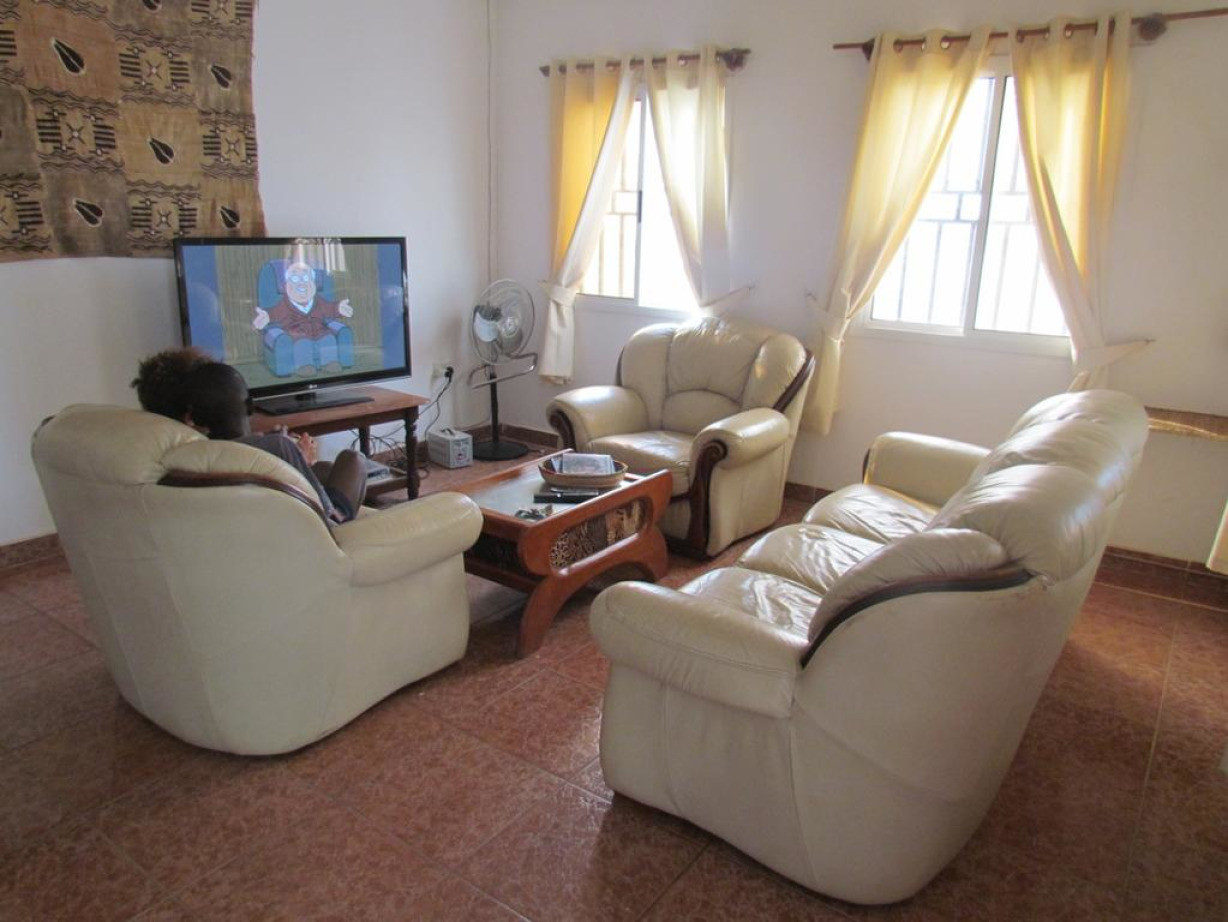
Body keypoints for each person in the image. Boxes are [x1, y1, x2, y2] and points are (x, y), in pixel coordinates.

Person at [131, 348, 367, 523]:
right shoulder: (273, 449)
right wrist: (292, 459)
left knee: (324, 468)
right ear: (192, 416)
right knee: (354, 460)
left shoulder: (166, 459)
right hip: (320, 529)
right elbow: (319, 514)